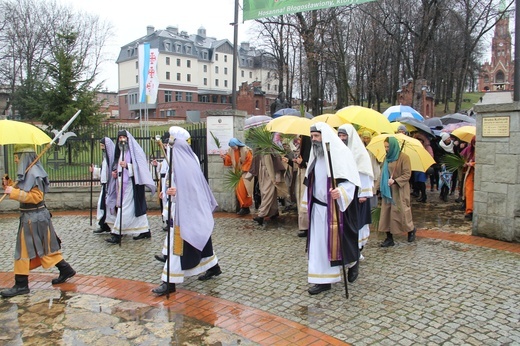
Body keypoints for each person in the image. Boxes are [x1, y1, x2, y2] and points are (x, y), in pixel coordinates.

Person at [1, 144, 76, 297]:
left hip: (35, 218)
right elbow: (24, 191)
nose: (15, 160)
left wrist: (14, 192)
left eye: (17, 157)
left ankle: (21, 285)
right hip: (31, 217)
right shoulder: (27, 172)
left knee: (23, 250)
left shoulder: (34, 173)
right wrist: (9, 186)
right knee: (45, 248)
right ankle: (65, 269)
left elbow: (36, 197)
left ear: (23, 157)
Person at [152, 137, 222, 296]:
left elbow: (193, 191)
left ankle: (169, 282)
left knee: (177, 247)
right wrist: (166, 193)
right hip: (177, 211)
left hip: (185, 213)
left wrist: (177, 193)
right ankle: (213, 266)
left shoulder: (187, 167)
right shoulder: (175, 164)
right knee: (198, 241)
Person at [302, 122, 361, 295]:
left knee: (341, 244)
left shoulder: (341, 154)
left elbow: (351, 181)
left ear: (324, 136)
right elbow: (309, 181)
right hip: (317, 209)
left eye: (316, 136)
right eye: (312, 137)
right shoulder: (315, 155)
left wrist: (341, 191)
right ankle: (323, 280)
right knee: (319, 245)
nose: (314, 140)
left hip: (335, 209)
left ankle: (353, 261)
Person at [106, 130, 156, 244]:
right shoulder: (120, 153)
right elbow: (116, 166)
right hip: (121, 183)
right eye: (120, 138)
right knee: (134, 209)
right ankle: (145, 230)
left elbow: (141, 168)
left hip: (131, 184)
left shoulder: (134, 152)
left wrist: (128, 166)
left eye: (124, 137)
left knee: (125, 207)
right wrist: (115, 171)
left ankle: (117, 234)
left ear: (128, 139)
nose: (122, 140)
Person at [338, 124, 374, 274]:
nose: (341, 138)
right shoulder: (338, 151)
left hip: (358, 196)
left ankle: (357, 252)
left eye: (344, 135)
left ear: (350, 136)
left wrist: (363, 194)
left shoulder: (360, 153)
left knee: (357, 225)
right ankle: (347, 252)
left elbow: (365, 172)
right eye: (339, 135)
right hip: (344, 195)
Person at [378, 137, 416, 247]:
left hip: (399, 190)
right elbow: (382, 173)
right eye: (385, 146)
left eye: (388, 147)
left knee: (402, 212)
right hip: (387, 191)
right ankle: (389, 238)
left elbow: (407, 174)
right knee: (386, 213)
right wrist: (376, 188)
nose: (386, 149)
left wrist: (395, 181)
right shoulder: (386, 158)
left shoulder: (404, 158)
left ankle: (411, 229)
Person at [248, 143, 286, 226]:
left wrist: (277, 176)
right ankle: (274, 212)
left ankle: (261, 215)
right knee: (269, 193)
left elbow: (277, 163)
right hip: (262, 173)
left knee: (267, 193)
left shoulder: (271, 149)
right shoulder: (259, 150)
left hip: (270, 174)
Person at [220, 138, 253, 215]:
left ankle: (245, 207)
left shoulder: (246, 150)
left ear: (237, 144)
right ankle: (244, 207)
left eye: (234, 147)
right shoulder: (230, 150)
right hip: (237, 173)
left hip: (246, 173)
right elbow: (229, 160)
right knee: (239, 190)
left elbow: (249, 161)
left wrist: (243, 170)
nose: (233, 148)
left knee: (245, 190)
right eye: (232, 147)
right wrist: (225, 158)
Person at [91, 137, 117, 234]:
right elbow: (103, 170)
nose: (102, 148)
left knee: (109, 206)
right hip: (104, 185)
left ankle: (113, 226)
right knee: (101, 206)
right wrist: (95, 170)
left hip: (111, 186)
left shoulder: (112, 157)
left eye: (103, 146)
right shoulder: (105, 158)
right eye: (101, 146)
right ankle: (104, 225)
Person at [461, 136, 476, 221]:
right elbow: (463, 159)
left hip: (477, 174)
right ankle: (469, 210)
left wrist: (473, 164)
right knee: (469, 192)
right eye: (474, 143)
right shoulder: (469, 149)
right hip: (470, 173)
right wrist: (465, 164)